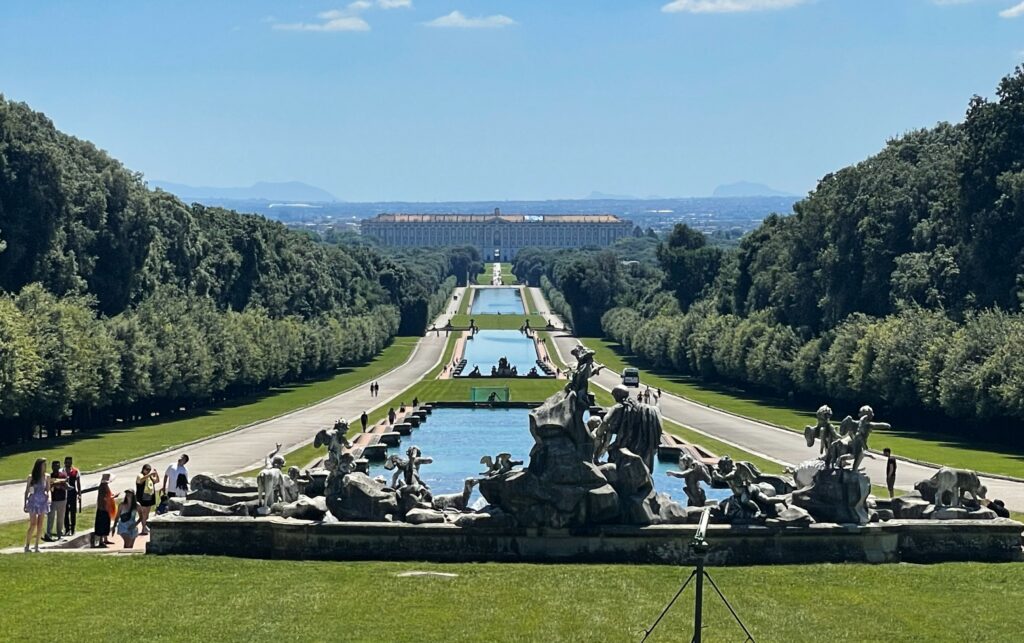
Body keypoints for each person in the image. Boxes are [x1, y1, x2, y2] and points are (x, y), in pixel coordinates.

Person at [23, 458, 50, 553]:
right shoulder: (32, 477)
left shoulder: (47, 476)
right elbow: (28, 490)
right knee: (33, 523)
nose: (45, 467)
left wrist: (47, 493)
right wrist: (25, 503)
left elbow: (47, 489)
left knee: (40, 524)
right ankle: (27, 545)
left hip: (43, 501)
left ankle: (37, 545)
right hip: (33, 501)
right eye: (43, 465)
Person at [92, 474, 117, 548]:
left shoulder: (104, 486)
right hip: (103, 509)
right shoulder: (103, 486)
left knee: (106, 524)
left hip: (105, 508)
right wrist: (113, 496)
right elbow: (105, 498)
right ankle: (101, 541)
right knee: (102, 525)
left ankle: (105, 539)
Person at [45, 460, 67, 541]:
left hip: (62, 499)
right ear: (52, 467)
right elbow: (48, 486)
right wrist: (54, 484)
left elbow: (65, 485)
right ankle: (48, 534)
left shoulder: (63, 475)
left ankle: (60, 534)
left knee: (60, 518)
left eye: (57, 466)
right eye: (54, 466)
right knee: (51, 517)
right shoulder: (49, 476)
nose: (56, 468)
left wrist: (59, 485)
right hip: (53, 500)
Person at [135, 464, 160, 535]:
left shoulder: (150, 476)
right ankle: (143, 528)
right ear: (143, 469)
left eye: (149, 470)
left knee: (147, 513)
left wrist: (156, 474)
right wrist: (149, 475)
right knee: (143, 513)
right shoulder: (140, 475)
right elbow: (141, 480)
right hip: (142, 497)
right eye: (147, 470)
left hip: (149, 496)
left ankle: (145, 526)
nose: (148, 471)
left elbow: (157, 481)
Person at [63, 456, 82, 536]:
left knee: (73, 511)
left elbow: (78, 483)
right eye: (67, 462)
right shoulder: (61, 471)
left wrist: (79, 494)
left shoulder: (76, 471)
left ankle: (73, 528)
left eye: (70, 462)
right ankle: (67, 528)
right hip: (64, 493)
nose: (68, 464)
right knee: (65, 512)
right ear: (64, 463)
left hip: (73, 493)